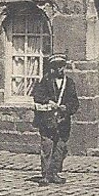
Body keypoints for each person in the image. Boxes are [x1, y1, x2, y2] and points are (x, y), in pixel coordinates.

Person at [31, 53, 79, 186]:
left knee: (60, 148)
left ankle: (55, 173)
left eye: (62, 66)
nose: (60, 70)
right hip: (47, 120)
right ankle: (46, 175)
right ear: (52, 68)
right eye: (57, 67)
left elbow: (74, 102)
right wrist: (49, 101)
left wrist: (66, 107)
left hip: (63, 121)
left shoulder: (69, 83)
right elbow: (37, 95)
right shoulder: (45, 81)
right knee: (47, 146)